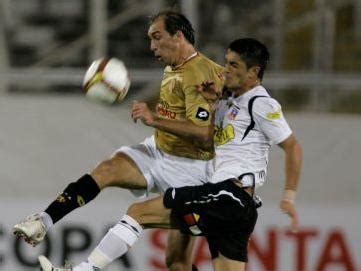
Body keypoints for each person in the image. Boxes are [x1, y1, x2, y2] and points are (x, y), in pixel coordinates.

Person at [37, 38, 302, 271]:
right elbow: (212, 134)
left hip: (228, 195)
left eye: (234, 65)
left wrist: (289, 195)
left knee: (138, 212)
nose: (225, 70)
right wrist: (213, 102)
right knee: (177, 260)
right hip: (237, 209)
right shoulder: (230, 101)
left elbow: (292, 146)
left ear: (254, 71)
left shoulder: (261, 103)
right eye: (226, 62)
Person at [13, 10, 224, 271]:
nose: (152, 46)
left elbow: (204, 136)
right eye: (150, 39)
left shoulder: (201, 74)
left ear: (178, 35)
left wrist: (154, 119)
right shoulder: (176, 66)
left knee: (177, 263)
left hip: (192, 173)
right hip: (159, 151)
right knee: (108, 169)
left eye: (157, 37)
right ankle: (42, 222)